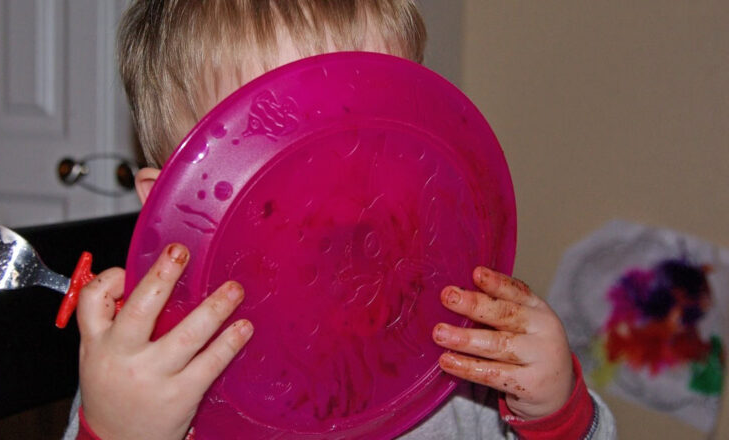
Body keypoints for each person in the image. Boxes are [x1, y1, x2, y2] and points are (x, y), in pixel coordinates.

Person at [64, 1, 616, 439]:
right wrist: (119, 431)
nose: (346, 211)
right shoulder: (153, 379)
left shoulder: (452, 350)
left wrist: (554, 413)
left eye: (375, 150)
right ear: (171, 206)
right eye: (290, 174)